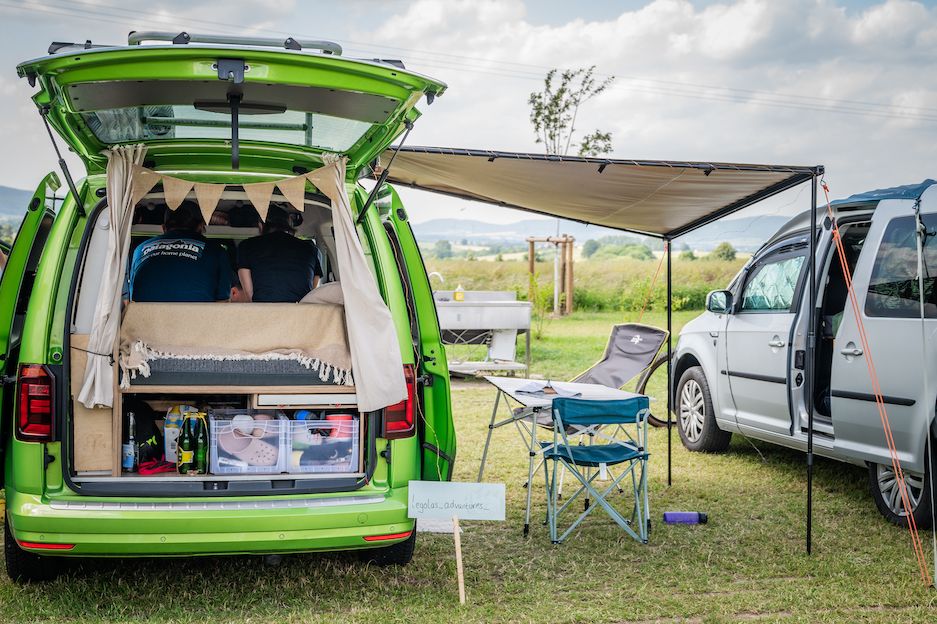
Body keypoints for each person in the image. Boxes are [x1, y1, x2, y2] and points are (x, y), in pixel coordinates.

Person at [129, 201, 231, 302]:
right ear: (200, 226)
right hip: (196, 317)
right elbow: (222, 301)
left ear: (164, 228)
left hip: (144, 316)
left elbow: (132, 296)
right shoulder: (216, 251)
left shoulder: (140, 249)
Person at [237, 204, 323, 303]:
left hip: (263, 309)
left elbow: (249, 293)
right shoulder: (309, 248)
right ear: (288, 225)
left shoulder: (247, 245)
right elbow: (313, 287)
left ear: (261, 225)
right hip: (300, 312)